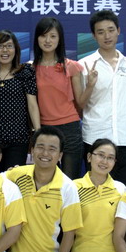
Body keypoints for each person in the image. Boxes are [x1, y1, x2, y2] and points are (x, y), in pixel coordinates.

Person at [79, 10, 126, 190]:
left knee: (124, 194)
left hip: (124, 140)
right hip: (94, 138)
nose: (107, 36)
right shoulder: (85, 64)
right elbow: (80, 105)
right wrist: (90, 85)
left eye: (111, 30)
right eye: (101, 32)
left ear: (118, 31)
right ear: (93, 35)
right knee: (94, 193)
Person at [33, 17, 86, 180]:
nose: (47, 40)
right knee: (46, 180)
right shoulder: (30, 69)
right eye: (43, 36)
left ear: (60, 39)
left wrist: (91, 85)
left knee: (70, 180)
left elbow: (80, 102)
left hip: (70, 128)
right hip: (44, 129)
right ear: (37, 38)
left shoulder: (72, 66)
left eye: (53, 36)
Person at [0, 30, 41, 171]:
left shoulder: (25, 71)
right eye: (0, 46)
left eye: (9, 46)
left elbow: (32, 105)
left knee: (13, 178)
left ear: (16, 49)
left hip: (19, 138)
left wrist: (38, 134)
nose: (5, 50)